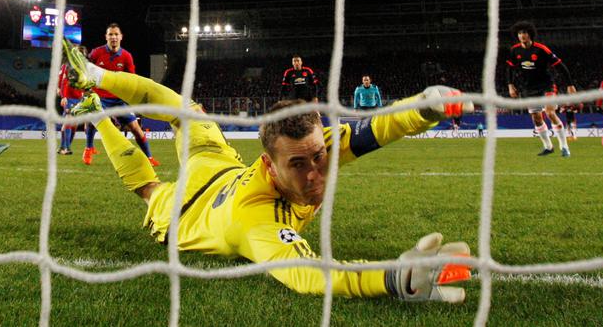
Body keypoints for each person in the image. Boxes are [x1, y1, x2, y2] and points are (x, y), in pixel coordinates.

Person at [61, 41, 473, 300]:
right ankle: (96, 115)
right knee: (149, 189)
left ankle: (94, 77)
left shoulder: (312, 146)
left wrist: (425, 106)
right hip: (187, 213)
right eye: (298, 165)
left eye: (318, 157)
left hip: (218, 167)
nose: (316, 173)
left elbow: (374, 128)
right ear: (270, 166)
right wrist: (392, 279)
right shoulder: (259, 221)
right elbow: (311, 278)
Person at [84, 24, 157, 167]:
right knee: (94, 117)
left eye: (116, 34)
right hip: (99, 96)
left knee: (136, 128)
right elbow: (86, 69)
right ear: (106, 37)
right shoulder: (96, 53)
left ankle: (149, 157)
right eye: (110, 34)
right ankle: (88, 148)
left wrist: (132, 97)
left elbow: (132, 79)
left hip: (118, 99)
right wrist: (87, 89)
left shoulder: (126, 56)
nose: (113, 37)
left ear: (121, 37)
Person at [506, 21, 577, 157]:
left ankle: (564, 146)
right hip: (529, 88)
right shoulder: (515, 50)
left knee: (550, 112)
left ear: (530, 34)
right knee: (536, 118)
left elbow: (560, 66)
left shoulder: (541, 49)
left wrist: (570, 84)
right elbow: (509, 68)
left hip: (546, 85)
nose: (522, 35)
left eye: (525, 33)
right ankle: (548, 146)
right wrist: (510, 85)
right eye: (520, 33)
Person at [57, 46, 87, 155]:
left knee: (73, 125)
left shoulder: (84, 68)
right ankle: (67, 148)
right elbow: (63, 82)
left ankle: (62, 147)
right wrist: (63, 96)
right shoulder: (67, 66)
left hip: (79, 99)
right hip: (68, 98)